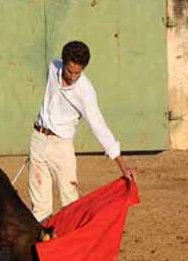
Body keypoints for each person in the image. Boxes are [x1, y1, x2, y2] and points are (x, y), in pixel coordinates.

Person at [28, 40, 133, 224]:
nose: (73, 76)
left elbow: (99, 127)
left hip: (62, 146)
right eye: (70, 71)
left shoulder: (85, 92)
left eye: (78, 72)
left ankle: (72, 248)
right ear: (63, 63)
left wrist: (122, 165)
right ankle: (42, 250)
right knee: (40, 207)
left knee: (70, 203)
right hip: (38, 139)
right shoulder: (53, 68)